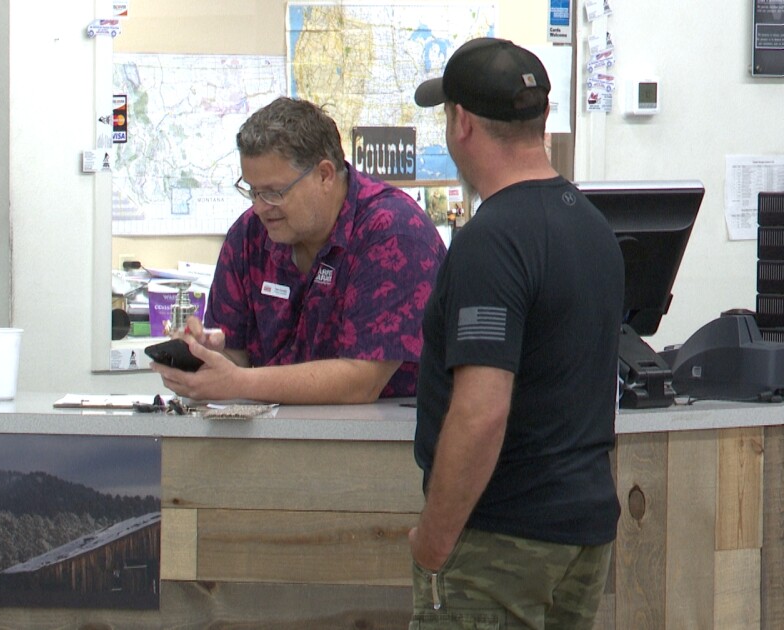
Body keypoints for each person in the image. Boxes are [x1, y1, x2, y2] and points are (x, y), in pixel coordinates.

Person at [408, 38, 624, 628]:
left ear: (461, 123)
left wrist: (433, 540)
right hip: (583, 533)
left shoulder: (491, 241)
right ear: (542, 119)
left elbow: (481, 411)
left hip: (503, 536)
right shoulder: (593, 228)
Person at [151, 97, 446, 404]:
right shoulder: (248, 235)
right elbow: (235, 356)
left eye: (275, 193)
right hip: (273, 436)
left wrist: (238, 382)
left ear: (324, 175)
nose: (260, 207)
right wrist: (207, 357)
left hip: (378, 439)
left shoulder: (393, 232)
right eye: (252, 191)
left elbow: (361, 381)